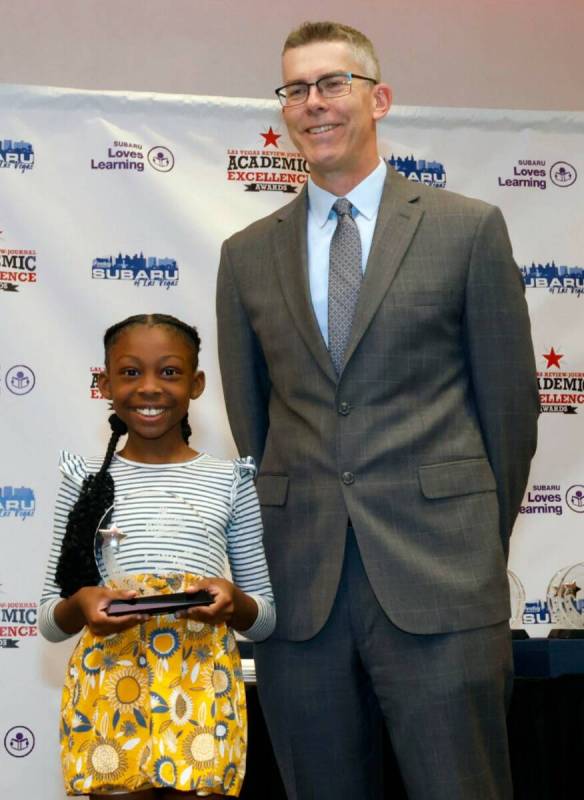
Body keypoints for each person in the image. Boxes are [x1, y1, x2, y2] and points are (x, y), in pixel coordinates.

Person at [216, 20, 539, 800]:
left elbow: (510, 416)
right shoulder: (246, 254)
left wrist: (467, 542)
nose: (312, 104)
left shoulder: (467, 230)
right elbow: (253, 425)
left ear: (379, 98)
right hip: (302, 595)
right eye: (295, 89)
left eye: (332, 84)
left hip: (441, 583)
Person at [39, 313, 275, 800]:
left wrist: (233, 602)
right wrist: (82, 603)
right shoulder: (83, 479)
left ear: (197, 383)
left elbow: (265, 618)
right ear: (104, 384)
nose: (149, 388)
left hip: (202, 683)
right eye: (130, 372)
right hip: (110, 683)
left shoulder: (231, 481)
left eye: (169, 371)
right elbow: (50, 619)